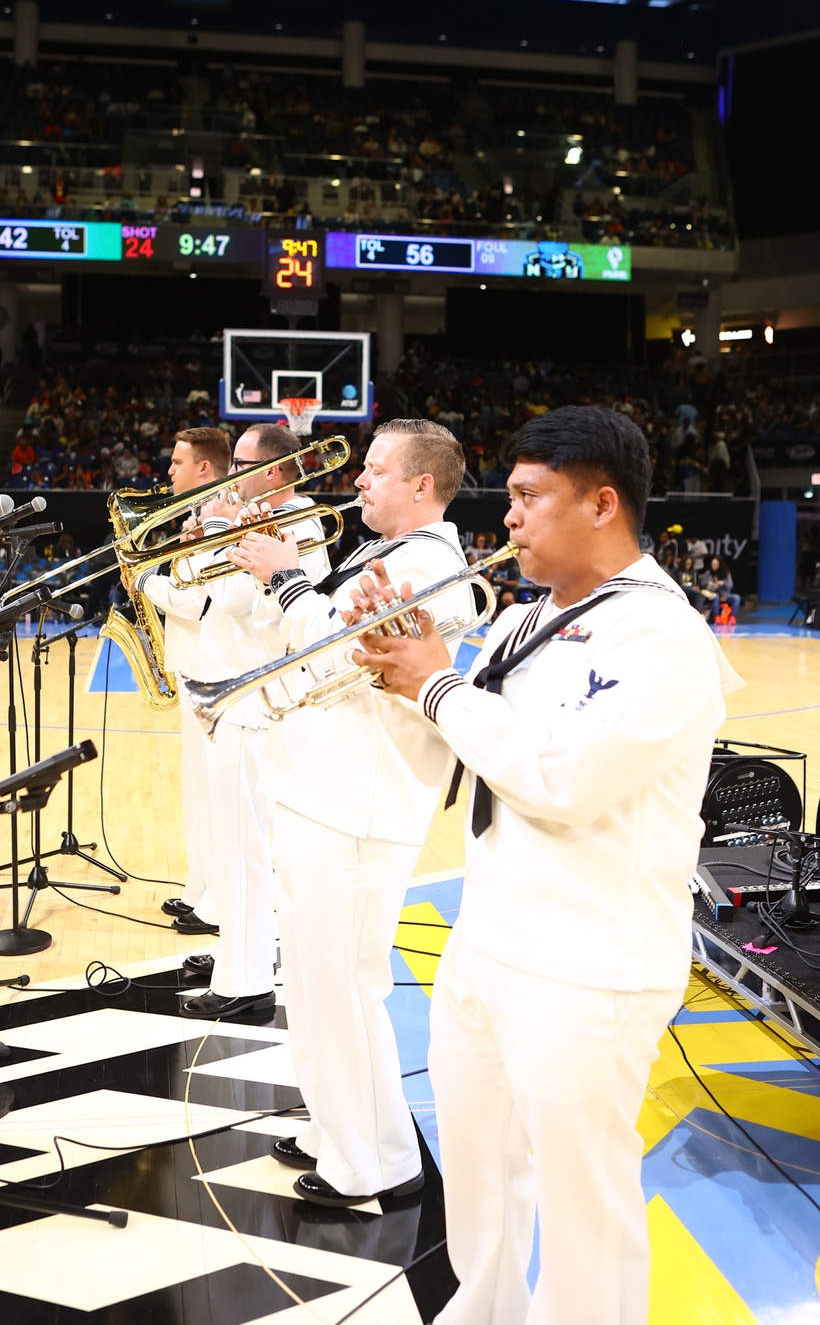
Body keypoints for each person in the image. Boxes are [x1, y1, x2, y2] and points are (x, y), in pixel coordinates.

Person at [352, 405, 743, 1325]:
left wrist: (437, 681)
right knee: (480, 1171)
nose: (511, 518)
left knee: (582, 1205)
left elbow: (562, 779)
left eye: (531, 497)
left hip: (589, 961)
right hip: (490, 937)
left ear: (603, 504)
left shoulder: (664, 635)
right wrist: (397, 667)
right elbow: (473, 752)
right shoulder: (529, 619)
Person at [230, 419, 474, 1206]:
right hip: (324, 787)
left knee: (339, 983)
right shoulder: (383, 554)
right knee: (310, 979)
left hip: (359, 802)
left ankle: (375, 1163)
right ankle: (336, 1126)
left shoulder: (437, 567)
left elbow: (337, 651)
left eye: (375, 470)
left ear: (421, 487)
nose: (359, 481)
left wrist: (290, 577)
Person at [156, 421, 330, 1021]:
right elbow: (201, 590)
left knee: (245, 850)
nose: (230, 474)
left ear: (275, 472)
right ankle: (239, 948)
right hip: (226, 697)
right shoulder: (254, 519)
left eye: (240, 464)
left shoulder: (300, 528)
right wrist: (201, 540)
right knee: (232, 846)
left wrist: (225, 537)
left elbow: (231, 603)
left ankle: (246, 980)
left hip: (253, 704)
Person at [133, 426, 232, 936]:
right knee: (197, 792)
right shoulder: (199, 514)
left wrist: (147, 579)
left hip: (213, 672)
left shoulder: (222, 517)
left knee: (214, 796)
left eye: (177, 462)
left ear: (204, 469)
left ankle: (217, 903)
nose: (168, 470)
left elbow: (197, 600)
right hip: (196, 667)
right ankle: (200, 889)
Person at [700, 554, 740, 624]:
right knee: (716, 597)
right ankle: (717, 617)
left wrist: (723, 583)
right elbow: (703, 584)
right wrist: (709, 584)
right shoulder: (708, 573)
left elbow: (730, 585)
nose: (714, 567)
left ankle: (732, 617)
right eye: (713, 564)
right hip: (714, 595)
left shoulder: (726, 573)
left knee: (736, 598)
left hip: (725, 595)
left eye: (716, 565)